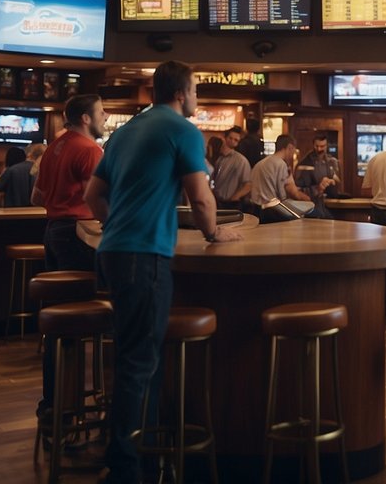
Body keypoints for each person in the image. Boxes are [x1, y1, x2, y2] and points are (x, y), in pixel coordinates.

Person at [84, 61, 242, 484]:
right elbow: (201, 199)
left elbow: (93, 195)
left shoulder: (124, 132)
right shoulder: (183, 130)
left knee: (132, 358)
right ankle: (124, 469)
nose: (197, 99)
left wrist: (119, 222)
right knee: (139, 364)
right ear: (181, 93)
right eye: (195, 91)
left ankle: (139, 456)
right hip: (143, 257)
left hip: (113, 253)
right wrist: (214, 234)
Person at [34, 94, 105, 272]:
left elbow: (36, 197)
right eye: (101, 112)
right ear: (86, 118)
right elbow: (94, 196)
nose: (106, 116)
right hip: (78, 233)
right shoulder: (90, 150)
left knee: (60, 295)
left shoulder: (52, 148)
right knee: (81, 295)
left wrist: (61, 204)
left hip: (53, 231)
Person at [249, 134, 312, 221]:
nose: (293, 154)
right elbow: (287, 194)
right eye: (294, 150)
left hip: (255, 210)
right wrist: (308, 201)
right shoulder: (281, 164)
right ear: (290, 147)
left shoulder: (259, 164)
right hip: (271, 212)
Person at [295, 135, 340, 217]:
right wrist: (318, 188)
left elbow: (337, 181)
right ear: (313, 145)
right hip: (311, 208)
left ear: (326, 146)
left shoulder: (331, 162)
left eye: (322, 146)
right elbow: (297, 191)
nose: (319, 149)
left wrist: (333, 182)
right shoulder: (305, 163)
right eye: (317, 146)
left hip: (328, 206)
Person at [210, 125, 251, 209]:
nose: (232, 141)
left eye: (236, 140)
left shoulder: (241, 160)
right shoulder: (219, 158)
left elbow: (248, 185)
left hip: (231, 204)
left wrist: (235, 197)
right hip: (217, 201)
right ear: (225, 138)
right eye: (230, 138)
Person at [0, 143, 44, 207]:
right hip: (35, 212)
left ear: (30, 154)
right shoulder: (42, 171)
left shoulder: (12, 169)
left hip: (11, 212)